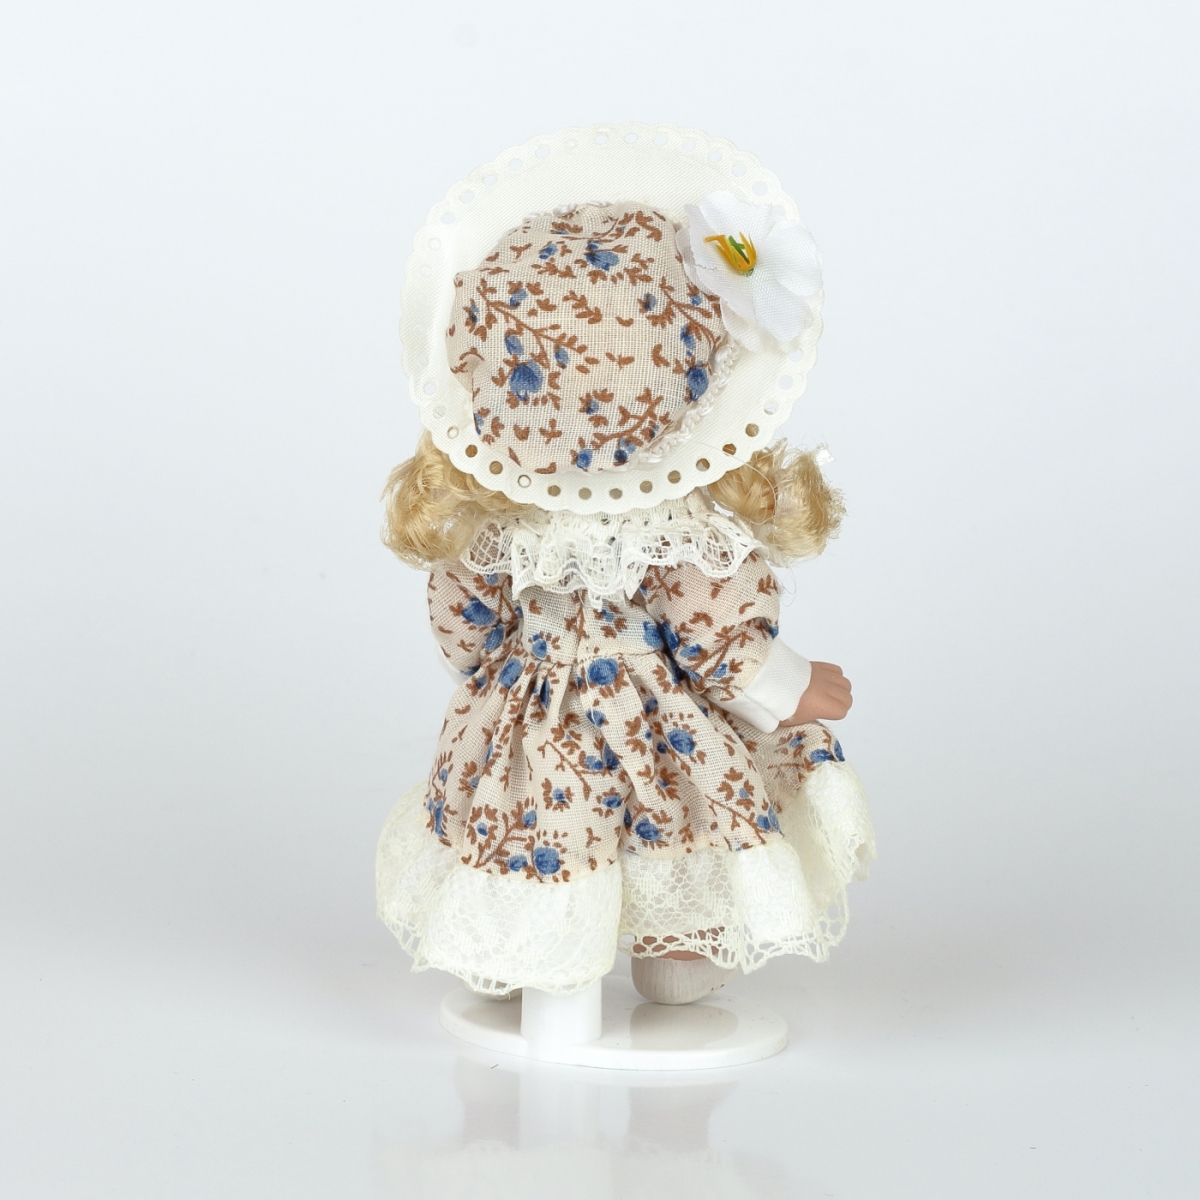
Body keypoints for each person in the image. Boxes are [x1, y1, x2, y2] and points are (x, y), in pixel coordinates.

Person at [376, 148, 875, 1006]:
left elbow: (463, 629)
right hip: (655, 716)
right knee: (674, 813)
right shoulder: (676, 523)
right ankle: (673, 956)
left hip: (528, 712)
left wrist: (497, 687)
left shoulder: (495, 520)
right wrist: (792, 686)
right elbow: (714, 641)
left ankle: (518, 947)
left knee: (531, 815)